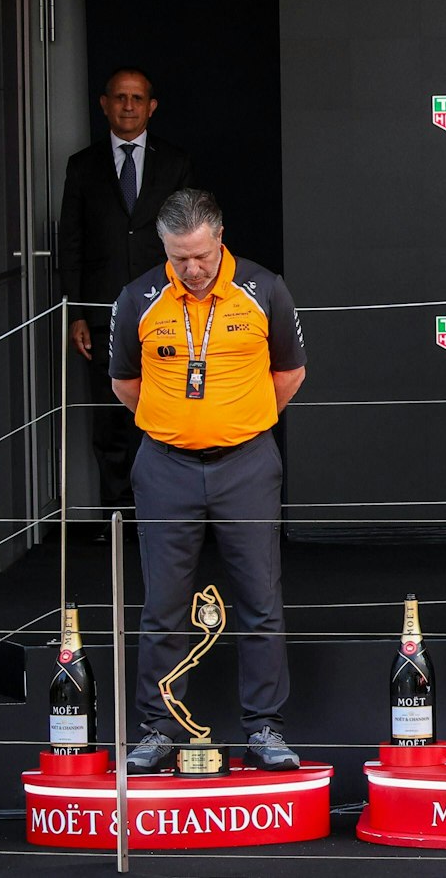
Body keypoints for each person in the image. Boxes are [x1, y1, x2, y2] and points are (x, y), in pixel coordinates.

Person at [110, 190, 307, 773]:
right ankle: (157, 729)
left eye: (200, 256)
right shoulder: (137, 298)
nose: (192, 270)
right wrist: (179, 427)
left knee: (259, 599)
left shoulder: (263, 288)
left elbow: (290, 372)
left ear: (220, 239)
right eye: (179, 258)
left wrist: (239, 425)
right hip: (164, 466)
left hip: (246, 464)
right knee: (163, 602)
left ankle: (265, 728)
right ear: (164, 249)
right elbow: (125, 384)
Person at [57, 68, 194, 535]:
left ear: (152, 106)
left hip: (165, 312)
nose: (129, 106)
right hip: (102, 314)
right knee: (110, 418)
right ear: (105, 104)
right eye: (120, 98)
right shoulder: (83, 165)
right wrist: (76, 312)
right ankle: (116, 518)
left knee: (164, 416)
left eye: (137, 98)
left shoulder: (175, 163)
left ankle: (162, 514)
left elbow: (190, 239)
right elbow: (71, 243)